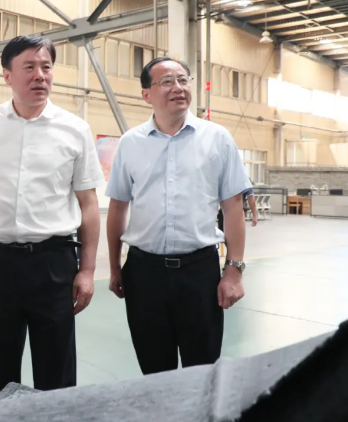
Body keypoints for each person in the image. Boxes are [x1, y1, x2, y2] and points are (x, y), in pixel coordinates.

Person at [0, 35, 105, 397]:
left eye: (46, 67)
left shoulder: (74, 129)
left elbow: (88, 204)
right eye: (30, 67)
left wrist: (87, 270)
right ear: (7, 75)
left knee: (57, 369)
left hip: (53, 263)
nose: (40, 75)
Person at [106, 57, 251, 376]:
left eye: (183, 80)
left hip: (199, 273)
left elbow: (233, 207)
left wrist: (234, 271)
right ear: (147, 94)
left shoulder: (217, 139)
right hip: (144, 274)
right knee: (155, 371)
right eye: (167, 81)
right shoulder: (131, 143)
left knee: (203, 370)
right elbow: (118, 207)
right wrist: (115, 267)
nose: (178, 88)